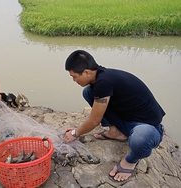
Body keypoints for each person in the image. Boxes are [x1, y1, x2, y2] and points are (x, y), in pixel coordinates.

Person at [63, 50, 165, 182]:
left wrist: (76, 132)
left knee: (141, 137)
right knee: (88, 92)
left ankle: (131, 160)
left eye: (74, 76)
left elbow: (94, 121)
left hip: (148, 126)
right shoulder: (100, 78)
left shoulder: (104, 82)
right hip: (127, 119)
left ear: (87, 72)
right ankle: (116, 131)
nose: (74, 80)